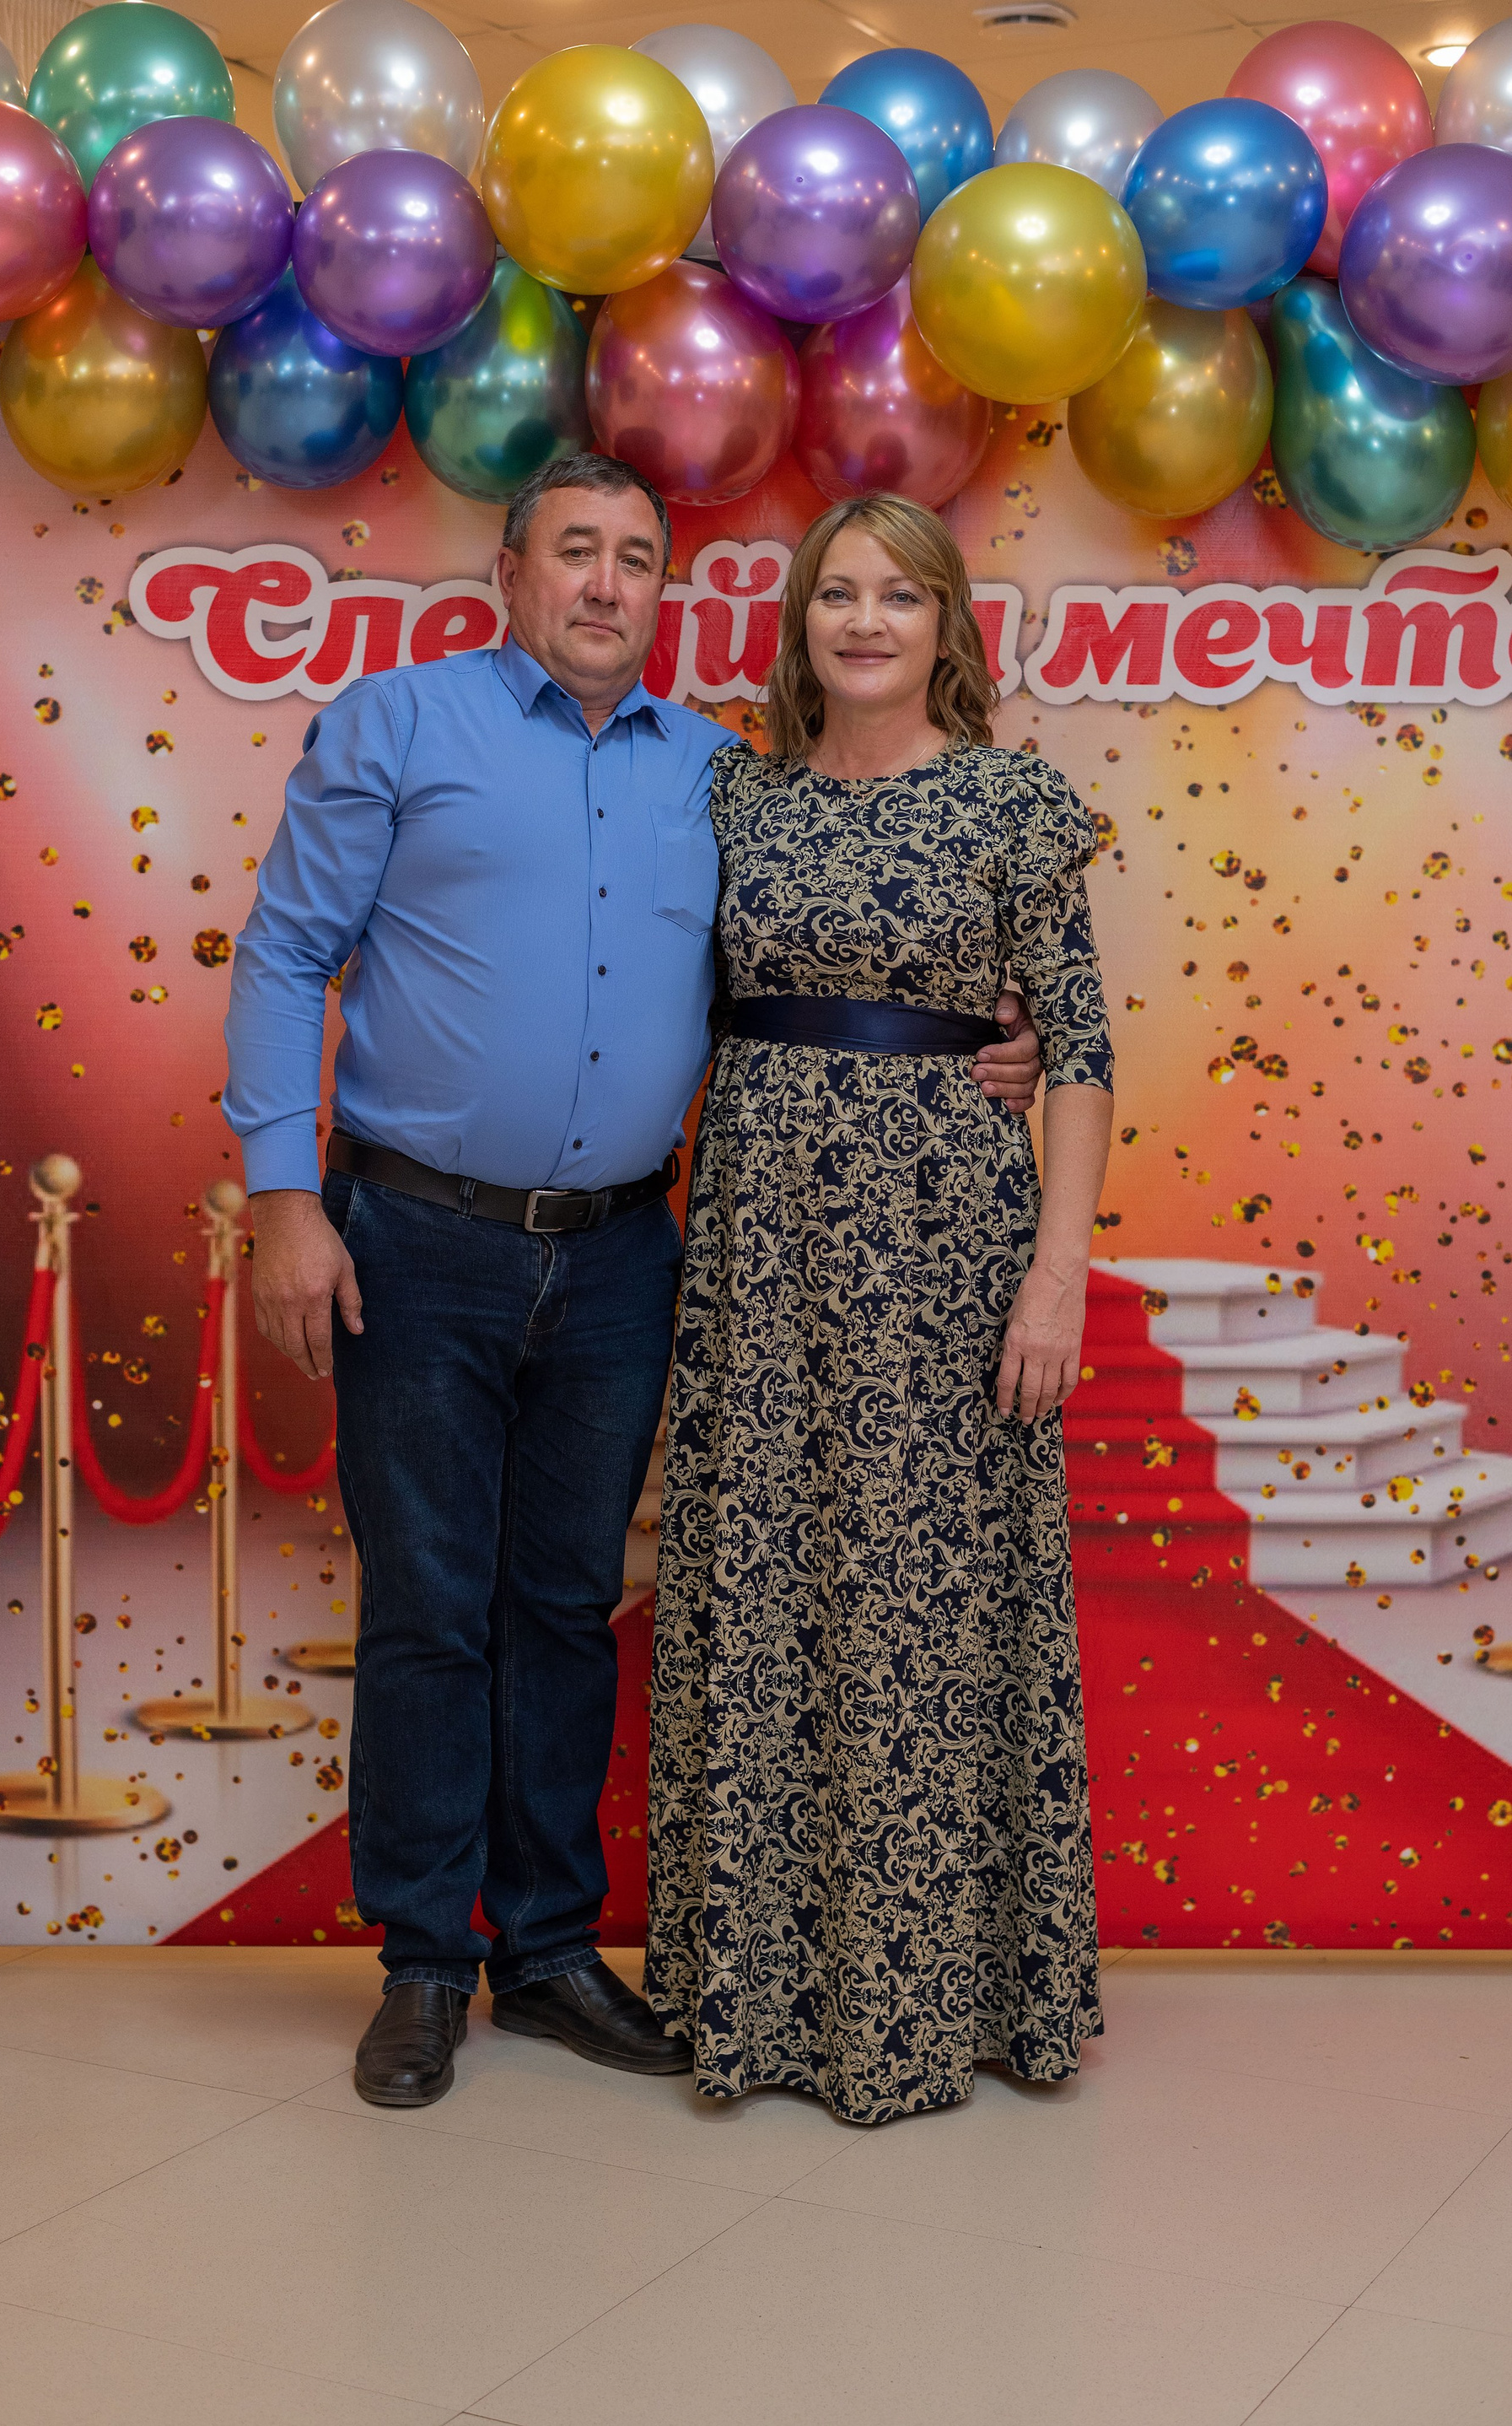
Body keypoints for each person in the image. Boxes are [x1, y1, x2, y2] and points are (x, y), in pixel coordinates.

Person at [222, 456, 1046, 2110]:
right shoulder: (395, 725)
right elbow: (285, 953)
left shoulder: (719, 776)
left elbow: (814, 964)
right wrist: (282, 1197)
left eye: (637, 559)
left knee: (564, 1604)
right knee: (431, 1609)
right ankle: (422, 1963)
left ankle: (543, 1949)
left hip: (621, 1252)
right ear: (510, 573)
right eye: (575, 551)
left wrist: (987, 1037)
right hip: (416, 1237)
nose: (606, 585)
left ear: (668, 590)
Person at [645, 492, 1115, 2127]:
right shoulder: (735, 794)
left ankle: (930, 1997)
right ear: (799, 622)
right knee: (763, 1585)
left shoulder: (1012, 801)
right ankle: (759, 1997)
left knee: (926, 1605)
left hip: (945, 1255)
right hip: (761, 1253)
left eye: (898, 596)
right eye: (836, 592)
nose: (863, 621)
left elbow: (1081, 1051)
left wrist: (1057, 1272)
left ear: (945, 627)